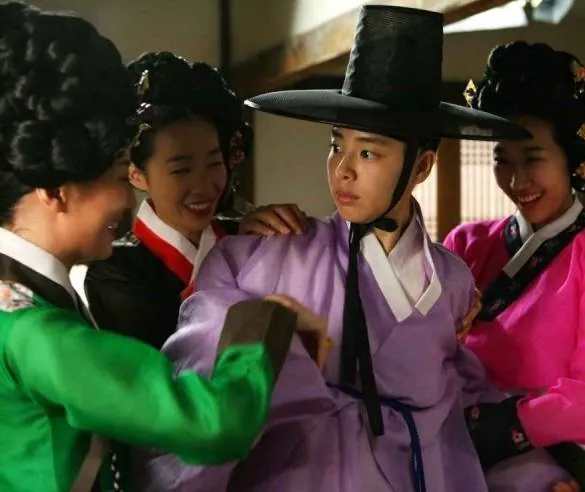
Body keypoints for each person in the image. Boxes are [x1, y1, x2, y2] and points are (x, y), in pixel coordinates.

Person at [139, 6, 532, 492]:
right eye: (335, 145)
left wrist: (535, 472)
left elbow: (467, 398)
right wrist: (279, 341)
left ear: (422, 167)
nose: (343, 169)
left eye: (367, 152)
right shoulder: (265, 255)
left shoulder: (451, 281)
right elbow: (203, 375)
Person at [0, 3, 324, 491]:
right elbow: (212, 425)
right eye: (118, 176)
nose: (127, 200)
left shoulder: (20, 302)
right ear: (55, 190)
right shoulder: (36, 333)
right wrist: (262, 321)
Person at [82, 52, 309, 349]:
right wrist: (236, 262)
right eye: (181, 170)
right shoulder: (115, 270)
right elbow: (168, 364)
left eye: (214, 163)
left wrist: (262, 246)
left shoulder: (243, 233)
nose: (204, 186)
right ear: (135, 173)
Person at [444, 41, 585, 491]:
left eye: (534, 159)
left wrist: (500, 428)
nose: (517, 181)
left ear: (572, 159)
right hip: (449, 450)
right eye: (502, 160)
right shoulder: (466, 244)